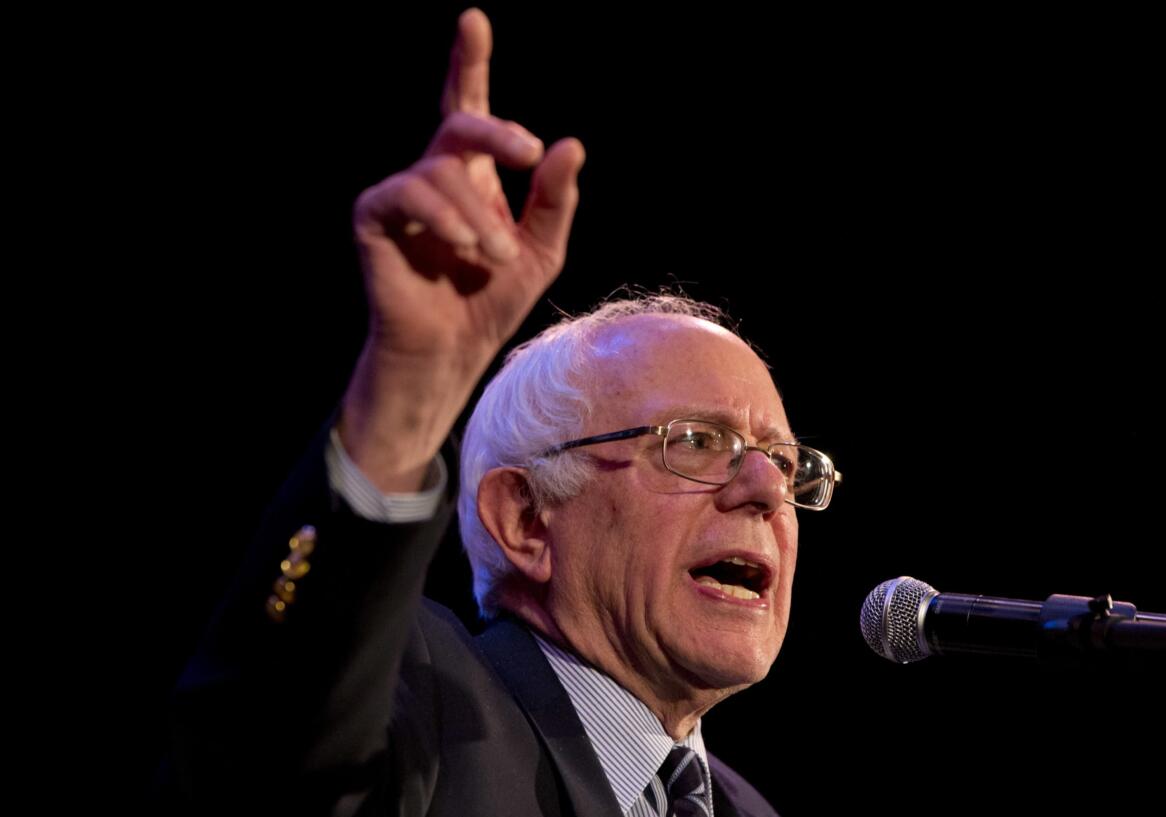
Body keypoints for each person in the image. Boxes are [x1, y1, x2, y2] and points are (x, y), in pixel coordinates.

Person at [164, 9, 839, 815]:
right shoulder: (422, 702)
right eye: (695, 441)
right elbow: (260, 744)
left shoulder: (747, 808)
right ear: (524, 517)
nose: (767, 488)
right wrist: (404, 398)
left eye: (786, 458)